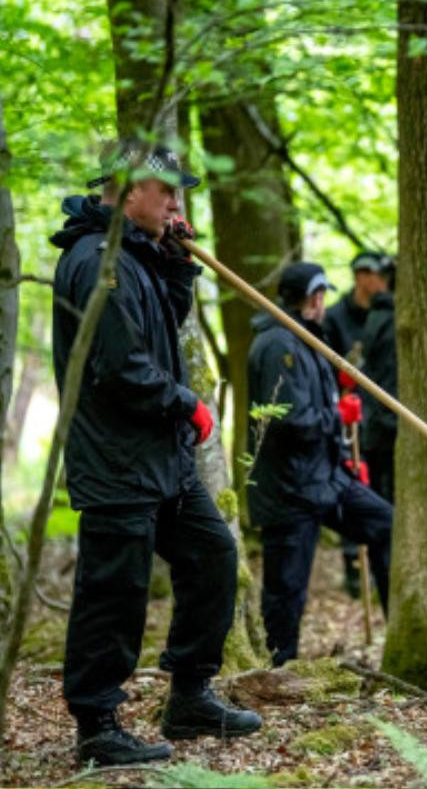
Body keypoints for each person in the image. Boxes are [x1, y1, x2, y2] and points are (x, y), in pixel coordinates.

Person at [51, 141, 261, 766]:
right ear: (127, 188)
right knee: (114, 589)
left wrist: (175, 263)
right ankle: (96, 723)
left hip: (159, 459)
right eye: (166, 191)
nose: (175, 203)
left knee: (213, 555)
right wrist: (185, 403)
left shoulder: (138, 256)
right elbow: (120, 367)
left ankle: (191, 694)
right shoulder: (98, 260)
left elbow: (164, 323)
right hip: (117, 458)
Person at [246, 262, 394, 667]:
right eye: (319, 293)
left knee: (386, 524)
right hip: (288, 489)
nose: (323, 300)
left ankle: (400, 634)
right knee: (286, 587)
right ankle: (279, 669)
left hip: (326, 478)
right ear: (310, 298)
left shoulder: (308, 339)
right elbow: (289, 421)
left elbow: (319, 411)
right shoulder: (279, 344)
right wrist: (339, 417)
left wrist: (345, 461)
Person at [322, 251, 392, 597]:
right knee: (355, 488)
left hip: (383, 418)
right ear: (363, 276)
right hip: (347, 416)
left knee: (383, 496)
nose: (382, 282)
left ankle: (384, 569)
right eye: (377, 275)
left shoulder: (388, 313)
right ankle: (354, 567)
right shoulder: (335, 317)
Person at [357, 265, 396, 503]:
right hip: (386, 419)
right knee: (383, 490)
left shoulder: (376, 316)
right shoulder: (388, 318)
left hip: (376, 416)